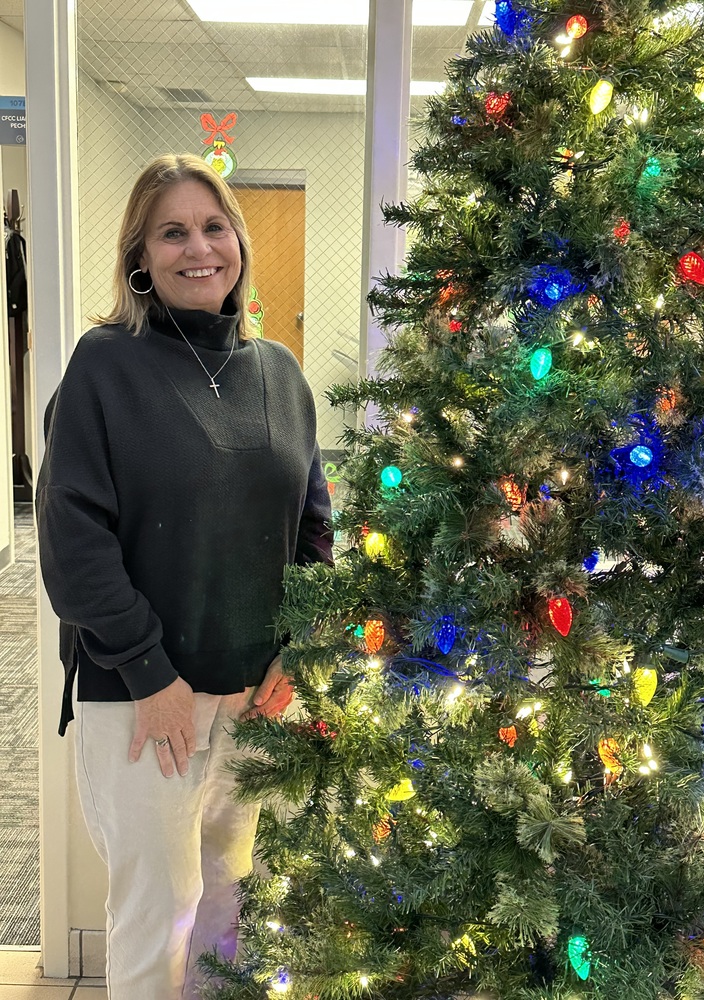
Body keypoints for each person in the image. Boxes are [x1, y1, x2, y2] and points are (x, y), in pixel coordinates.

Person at [36, 153, 333, 1000]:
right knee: (157, 914)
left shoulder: (279, 370)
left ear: (239, 241)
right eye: (172, 231)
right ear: (141, 255)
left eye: (214, 227)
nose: (197, 248)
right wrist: (149, 671)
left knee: (226, 911)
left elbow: (314, 527)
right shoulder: (104, 366)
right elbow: (71, 539)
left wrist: (298, 651)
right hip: (143, 701)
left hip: (255, 697)